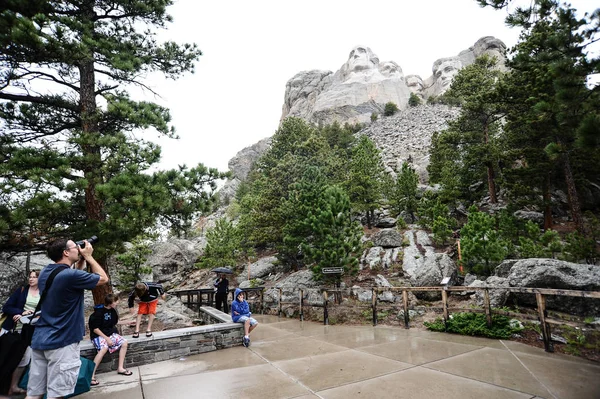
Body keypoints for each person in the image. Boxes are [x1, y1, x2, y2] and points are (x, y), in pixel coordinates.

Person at [26, 238, 109, 399]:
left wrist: (80, 261)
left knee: (34, 394)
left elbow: (73, 275)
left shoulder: (45, 272)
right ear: (65, 252)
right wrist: (90, 257)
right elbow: (103, 279)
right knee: (57, 394)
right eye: (74, 248)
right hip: (62, 342)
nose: (78, 249)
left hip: (41, 340)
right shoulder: (70, 276)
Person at [0, 270, 40, 395]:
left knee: (25, 358)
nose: (31, 279)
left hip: (31, 330)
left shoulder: (44, 293)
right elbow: (7, 307)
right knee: (5, 355)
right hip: (14, 328)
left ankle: (13, 386)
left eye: (34, 277)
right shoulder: (22, 290)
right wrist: (20, 312)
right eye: (30, 277)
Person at [88, 294, 132, 386]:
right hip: (98, 335)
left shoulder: (112, 311)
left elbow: (115, 322)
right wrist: (107, 339)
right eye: (116, 301)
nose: (117, 303)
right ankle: (91, 375)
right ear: (111, 303)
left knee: (124, 342)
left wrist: (127, 322)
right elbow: (95, 328)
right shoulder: (98, 313)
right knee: (103, 348)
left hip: (109, 333)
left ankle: (120, 368)